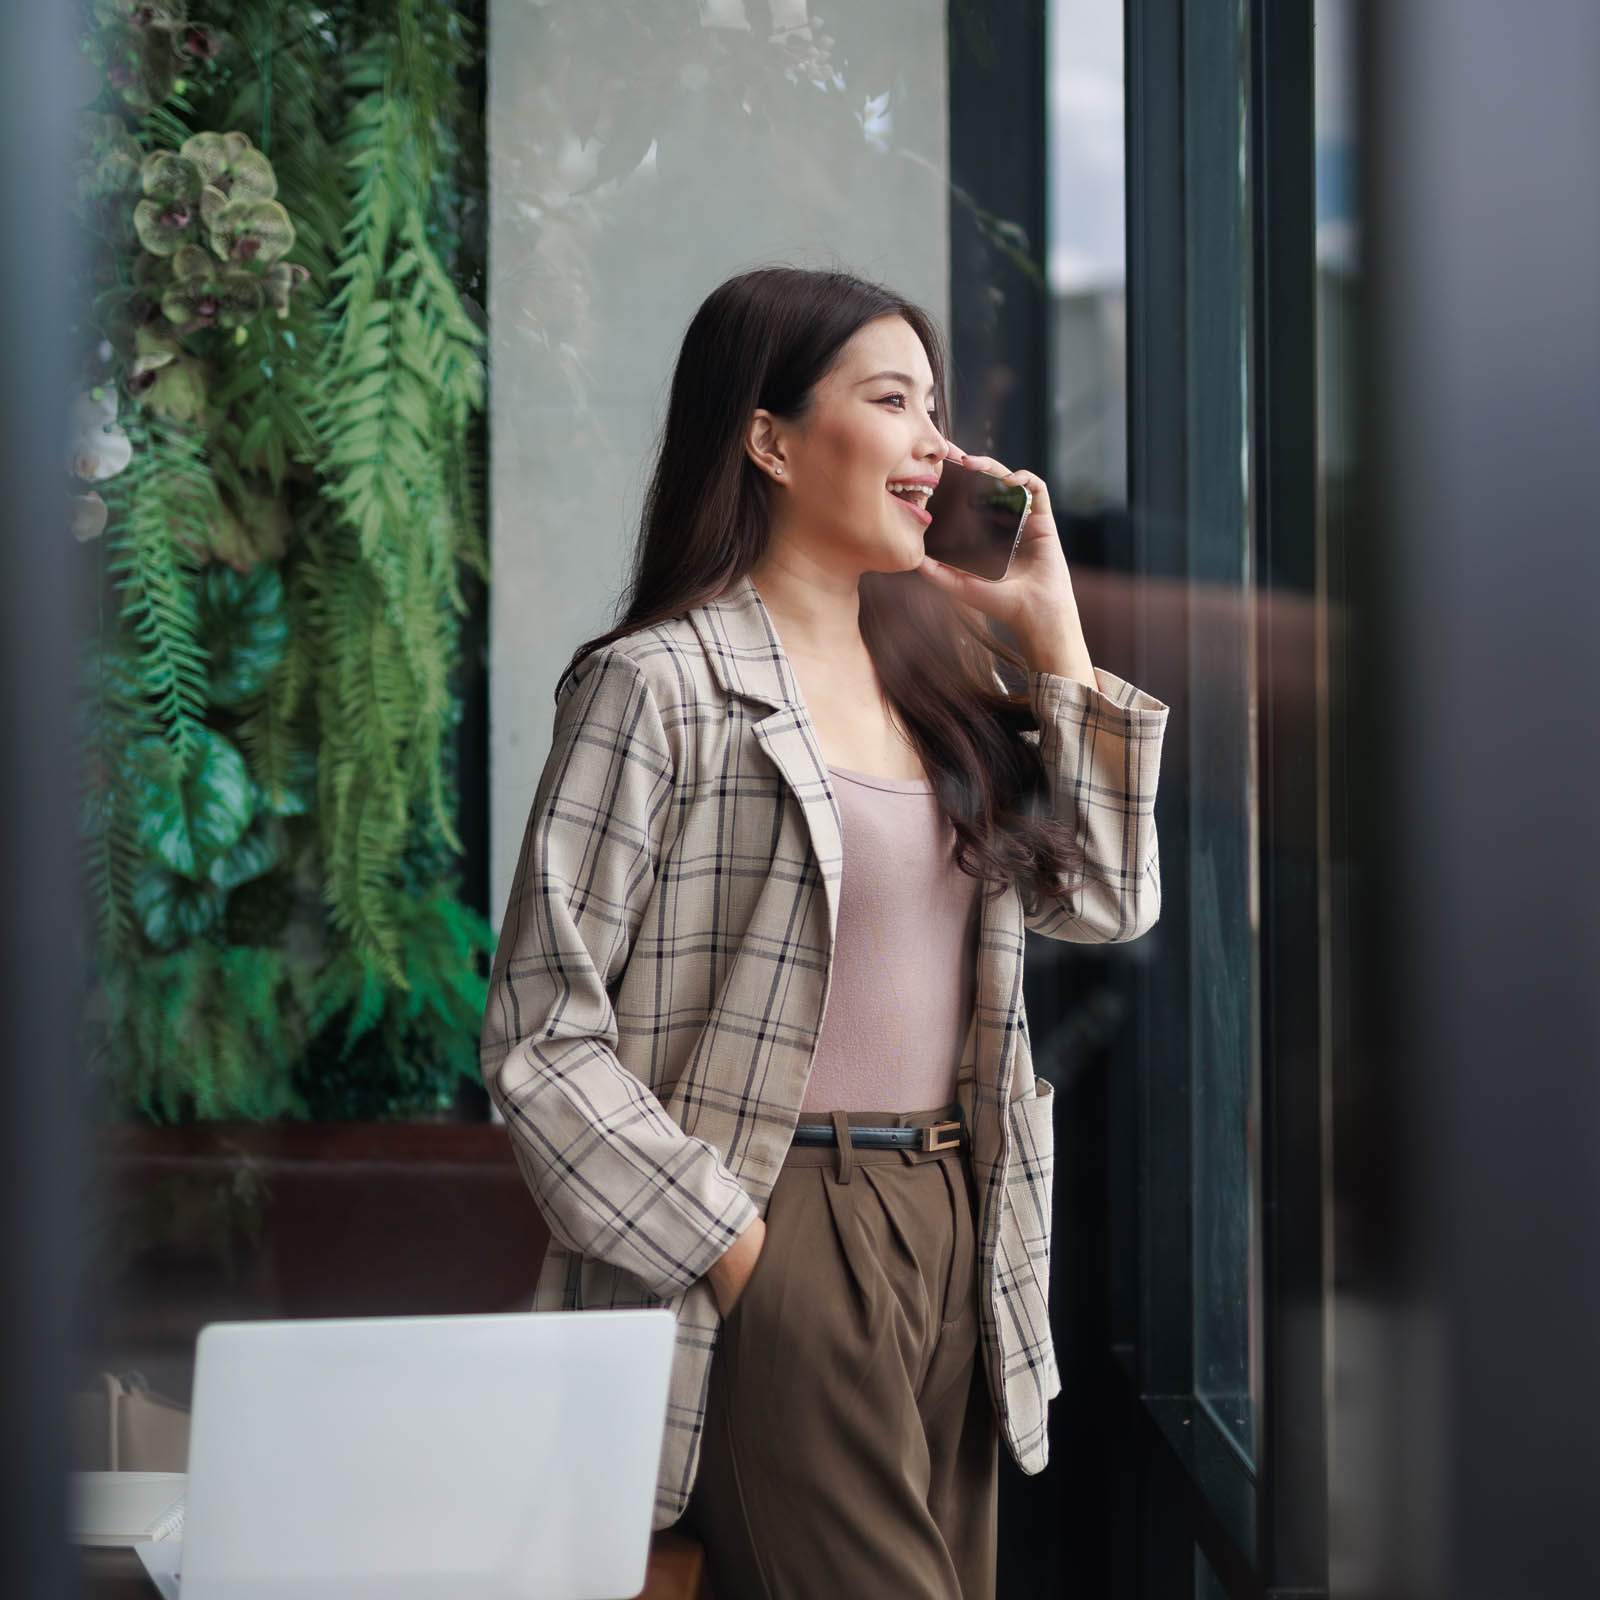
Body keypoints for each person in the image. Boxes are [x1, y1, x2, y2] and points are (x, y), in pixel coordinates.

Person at [480, 266, 1168, 1599]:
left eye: (938, 408)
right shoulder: (659, 686)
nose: (937, 446)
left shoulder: (949, 682)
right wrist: (747, 1257)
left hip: (962, 1226)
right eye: (894, 401)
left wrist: (1054, 628)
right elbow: (542, 1036)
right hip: (778, 1218)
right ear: (771, 439)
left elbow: (1111, 900)